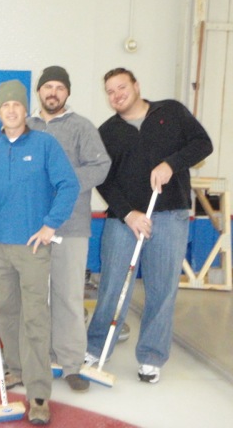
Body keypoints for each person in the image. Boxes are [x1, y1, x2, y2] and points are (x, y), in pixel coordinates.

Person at [85, 68, 213, 384]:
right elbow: (104, 181)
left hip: (170, 214)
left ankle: (152, 357)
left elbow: (202, 144)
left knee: (161, 288)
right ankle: (96, 348)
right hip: (124, 221)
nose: (116, 95)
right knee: (113, 286)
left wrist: (171, 164)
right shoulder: (108, 132)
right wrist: (128, 213)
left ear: (136, 86)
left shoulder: (170, 111)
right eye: (110, 91)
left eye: (121, 87)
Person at [0, 79, 79, 425]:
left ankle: (39, 393)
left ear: (24, 110)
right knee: (7, 313)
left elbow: (68, 185)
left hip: (32, 247)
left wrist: (50, 225)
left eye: (16, 105)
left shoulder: (44, 144)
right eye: (5, 106)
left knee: (35, 319)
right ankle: (14, 369)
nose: (11, 110)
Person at [26, 66, 111, 393]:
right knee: (34, 297)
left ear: (68, 93)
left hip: (71, 226)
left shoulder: (82, 127)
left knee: (69, 296)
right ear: (39, 92)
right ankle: (38, 357)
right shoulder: (28, 126)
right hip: (31, 227)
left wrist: (64, 182)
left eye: (59, 87)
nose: (53, 93)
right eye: (48, 86)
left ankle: (72, 362)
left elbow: (101, 167)